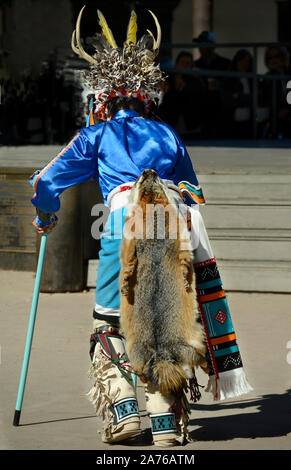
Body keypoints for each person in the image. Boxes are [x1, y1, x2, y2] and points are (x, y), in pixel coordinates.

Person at [30, 7, 252, 446]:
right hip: (171, 226)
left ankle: (124, 413)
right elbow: (190, 191)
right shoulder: (167, 135)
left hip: (120, 225)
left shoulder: (96, 136)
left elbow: (44, 182)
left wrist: (46, 215)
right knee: (166, 319)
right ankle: (166, 421)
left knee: (111, 323)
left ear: (103, 100)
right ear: (146, 99)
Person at [157, 51, 206, 139]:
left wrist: (182, 87)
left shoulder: (196, 82)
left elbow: (195, 104)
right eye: (182, 63)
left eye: (188, 63)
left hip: (191, 129)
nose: (184, 66)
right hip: (170, 128)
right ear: (176, 64)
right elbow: (165, 104)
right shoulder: (167, 80)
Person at [193, 31, 231, 138]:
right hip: (202, 106)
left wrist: (220, 85)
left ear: (212, 46)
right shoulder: (196, 64)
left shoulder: (225, 63)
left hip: (221, 105)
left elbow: (231, 84)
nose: (201, 47)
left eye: (204, 44)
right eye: (199, 44)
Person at [222, 49, 254, 138]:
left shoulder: (253, 80)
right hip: (231, 124)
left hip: (249, 123)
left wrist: (239, 97)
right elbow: (227, 101)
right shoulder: (229, 80)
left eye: (247, 61)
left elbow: (255, 99)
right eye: (241, 61)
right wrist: (244, 99)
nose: (244, 64)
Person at [261, 46, 291, 138]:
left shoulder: (289, 73)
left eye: (276, 56)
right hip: (275, 121)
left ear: (283, 57)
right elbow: (265, 99)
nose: (273, 60)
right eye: (270, 58)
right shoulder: (267, 78)